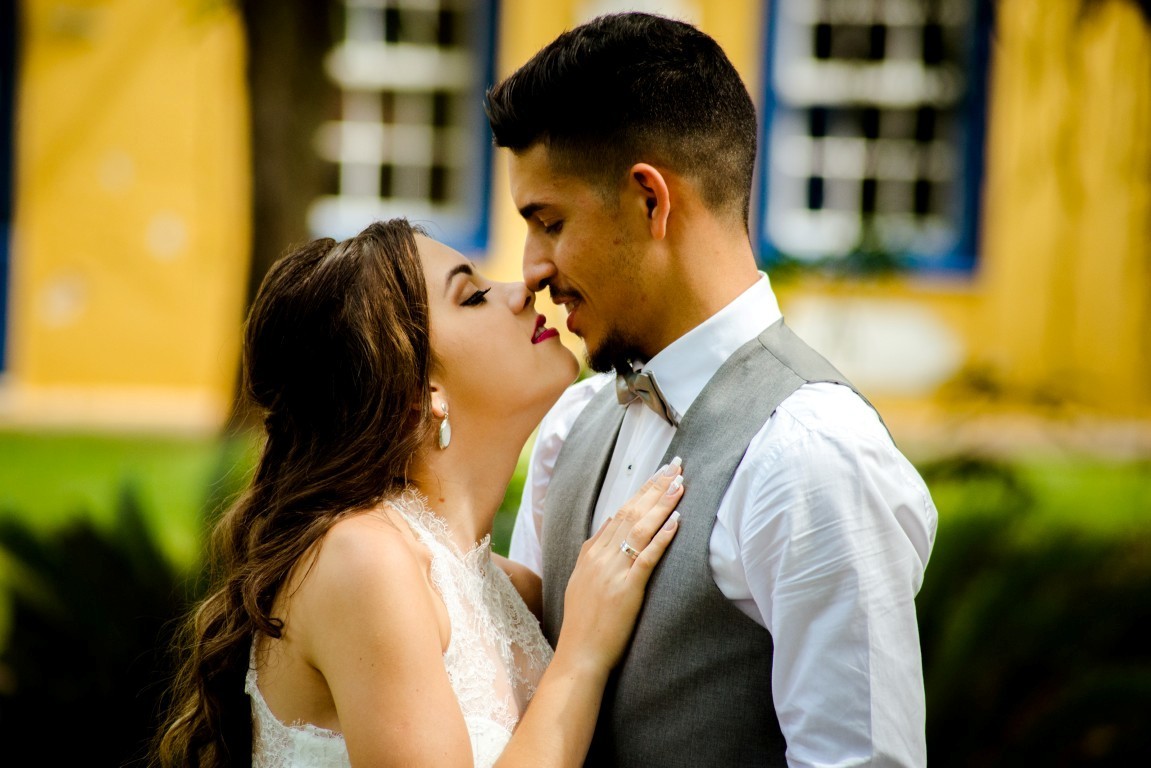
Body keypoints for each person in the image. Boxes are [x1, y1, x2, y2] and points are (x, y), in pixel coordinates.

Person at [486, 12, 938, 768]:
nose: (531, 267)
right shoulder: (571, 424)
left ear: (650, 200)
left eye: (550, 222)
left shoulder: (813, 457)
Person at [151, 219, 686, 768]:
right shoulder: (362, 558)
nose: (521, 288)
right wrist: (582, 656)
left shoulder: (515, 593)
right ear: (419, 393)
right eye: (473, 296)